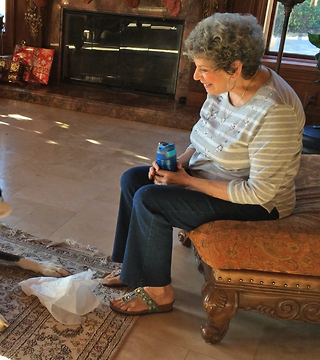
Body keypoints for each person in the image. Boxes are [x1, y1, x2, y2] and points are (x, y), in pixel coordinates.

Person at [104, 12, 305, 316]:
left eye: (203, 69)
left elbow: (260, 193)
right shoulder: (224, 87)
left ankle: (159, 292)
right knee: (133, 180)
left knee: (151, 200)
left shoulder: (275, 112)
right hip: (214, 176)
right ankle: (132, 269)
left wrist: (187, 182)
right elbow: (203, 140)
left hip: (256, 203)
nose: (196, 77)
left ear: (235, 68)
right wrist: (178, 164)